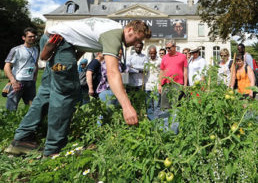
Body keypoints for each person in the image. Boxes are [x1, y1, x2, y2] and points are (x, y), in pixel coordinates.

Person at [5, 18, 151, 157]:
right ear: (130, 29)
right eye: (137, 38)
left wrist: (69, 63)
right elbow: (113, 72)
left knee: (47, 92)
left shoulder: (108, 26)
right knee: (66, 92)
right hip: (60, 43)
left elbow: (80, 40)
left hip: (52, 41)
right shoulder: (114, 35)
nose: (136, 43)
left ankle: (21, 139)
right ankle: (53, 150)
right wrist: (127, 107)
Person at [4, 27, 39, 111]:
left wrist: (34, 77)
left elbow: (35, 64)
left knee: (32, 107)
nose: (32, 38)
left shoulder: (36, 49)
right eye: (30, 36)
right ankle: (8, 124)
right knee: (11, 108)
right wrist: (13, 81)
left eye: (34, 36)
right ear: (24, 37)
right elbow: (7, 66)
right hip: (18, 82)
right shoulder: (16, 50)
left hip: (30, 82)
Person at [159, 40, 188, 109]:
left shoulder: (182, 57)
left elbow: (185, 71)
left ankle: (175, 119)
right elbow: (161, 72)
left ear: (174, 47)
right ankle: (166, 119)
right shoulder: (164, 58)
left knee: (176, 106)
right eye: (166, 48)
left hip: (177, 85)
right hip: (166, 85)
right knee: (165, 106)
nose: (167, 50)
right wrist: (159, 85)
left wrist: (185, 85)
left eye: (169, 48)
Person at [144, 46, 161, 120]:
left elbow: (162, 73)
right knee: (149, 105)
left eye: (154, 53)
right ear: (149, 53)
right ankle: (151, 120)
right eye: (151, 53)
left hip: (156, 86)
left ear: (156, 53)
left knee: (157, 105)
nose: (152, 55)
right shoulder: (146, 61)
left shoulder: (160, 61)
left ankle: (156, 120)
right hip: (148, 86)